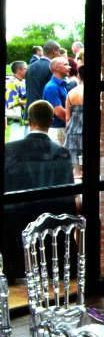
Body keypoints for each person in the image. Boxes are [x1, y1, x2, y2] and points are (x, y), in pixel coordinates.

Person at [3, 100, 75, 276]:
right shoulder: (62, 153)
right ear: (51, 121)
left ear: (29, 120)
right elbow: (68, 199)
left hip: (14, 226)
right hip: (51, 230)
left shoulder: (9, 150)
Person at [41, 56, 70, 143]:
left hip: (61, 128)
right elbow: (58, 112)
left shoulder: (61, 85)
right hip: (57, 130)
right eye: (66, 64)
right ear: (56, 68)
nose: (70, 67)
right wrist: (74, 121)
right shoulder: (52, 87)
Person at [25, 40, 59, 107]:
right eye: (59, 51)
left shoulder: (30, 66)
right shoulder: (52, 68)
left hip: (30, 108)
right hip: (43, 109)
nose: (59, 54)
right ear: (54, 50)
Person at [63, 65, 85, 167]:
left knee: (75, 165)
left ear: (79, 76)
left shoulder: (71, 93)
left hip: (73, 130)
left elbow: (67, 117)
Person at [5, 61, 28, 140]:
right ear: (19, 70)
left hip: (24, 117)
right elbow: (11, 102)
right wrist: (27, 101)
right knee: (16, 140)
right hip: (16, 118)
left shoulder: (23, 81)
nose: (27, 71)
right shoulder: (12, 83)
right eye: (25, 69)